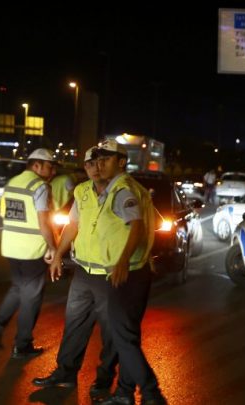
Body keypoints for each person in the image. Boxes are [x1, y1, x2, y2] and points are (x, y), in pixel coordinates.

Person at [31, 147, 119, 401]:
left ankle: (104, 381)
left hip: (108, 274)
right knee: (74, 325)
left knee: (110, 331)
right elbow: (73, 225)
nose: (95, 167)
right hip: (83, 271)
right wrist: (58, 255)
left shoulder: (123, 191)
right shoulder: (81, 191)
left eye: (100, 162)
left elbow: (135, 229)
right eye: (90, 163)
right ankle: (65, 373)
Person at [89, 140, 166, 405]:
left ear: (121, 162)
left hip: (126, 273)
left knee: (123, 339)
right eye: (98, 160)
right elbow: (150, 225)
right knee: (128, 337)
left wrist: (122, 260)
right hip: (137, 270)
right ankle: (124, 392)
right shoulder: (134, 188)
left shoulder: (122, 190)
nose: (100, 164)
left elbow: (136, 225)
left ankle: (151, 393)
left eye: (106, 159)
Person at [0, 148, 57, 359]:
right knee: (31, 297)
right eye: (49, 166)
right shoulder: (39, 186)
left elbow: (6, 213)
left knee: (17, 289)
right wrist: (53, 247)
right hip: (32, 250)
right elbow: (43, 221)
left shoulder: (12, 184)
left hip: (12, 247)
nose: (52, 171)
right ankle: (22, 345)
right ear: (37, 165)